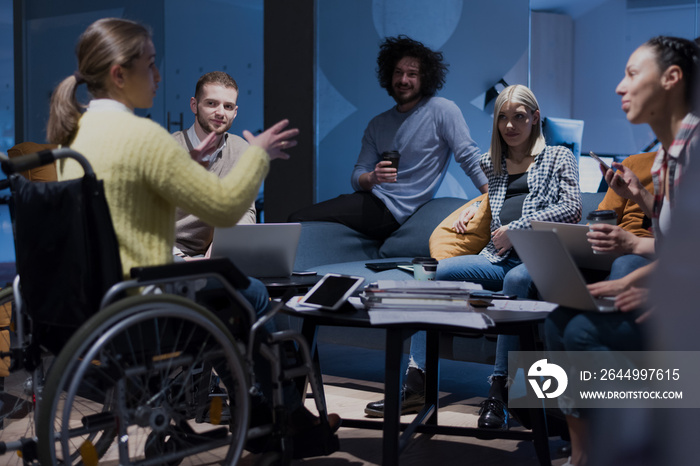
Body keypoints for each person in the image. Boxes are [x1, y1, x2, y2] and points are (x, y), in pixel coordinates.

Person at [48, 17, 338, 458]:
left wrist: (193, 167)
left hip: (95, 305)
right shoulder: (144, 137)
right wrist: (258, 156)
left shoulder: (76, 138)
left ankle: (259, 409)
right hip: (148, 303)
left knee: (223, 300)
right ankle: (281, 413)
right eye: (150, 64)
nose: (158, 75)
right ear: (119, 75)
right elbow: (222, 207)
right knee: (252, 297)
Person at [364, 85, 582, 427]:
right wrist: (475, 209)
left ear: (535, 118)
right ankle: (417, 382)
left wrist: (518, 228)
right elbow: (491, 200)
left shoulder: (558, 157)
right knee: (433, 273)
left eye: (519, 117)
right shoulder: (493, 163)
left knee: (516, 278)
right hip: (497, 258)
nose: (510, 126)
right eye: (503, 119)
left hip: (539, 261)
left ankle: (501, 391)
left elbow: (572, 208)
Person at [544, 35, 700, 466]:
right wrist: (640, 205)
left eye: (632, 74)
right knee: (557, 322)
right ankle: (583, 454)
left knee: (581, 333)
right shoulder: (671, 156)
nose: (619, 86)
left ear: (672, 79)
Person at [288, 35, 488, 240]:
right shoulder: (377, 124)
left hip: (393, 211)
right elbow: (357, 176)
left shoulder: (442, 110)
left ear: (425, 78)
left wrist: (492, 198)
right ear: (388, 75)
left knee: (296, 218)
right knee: (302, 219)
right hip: (371, 200)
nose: (403, 80)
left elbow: (469, 158)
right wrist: (372, 178)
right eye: (398, 73)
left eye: (412, 74)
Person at [172, 71, 256, 260]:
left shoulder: (241, 150)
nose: (220, 112)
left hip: (215, 255)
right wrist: (180, 258)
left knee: (256, 289)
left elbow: (245, 210)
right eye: (211, 103)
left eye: (228, 106)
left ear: (235, 112)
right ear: (194, 105)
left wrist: (225, 241)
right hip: (168, 252)